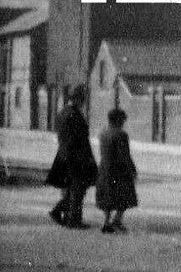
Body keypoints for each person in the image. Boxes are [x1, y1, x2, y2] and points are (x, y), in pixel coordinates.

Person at [46, 85, 98, 229]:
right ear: (77, 99)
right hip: (75, 156)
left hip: (64, 155)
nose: (83, 102)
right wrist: (84, 157)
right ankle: (73, 220)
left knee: (72, 188)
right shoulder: (73, 114)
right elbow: (77, 139)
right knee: (78, 188)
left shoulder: (63, 112)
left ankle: (62, 213)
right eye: (82, 99)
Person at [96, 108, 138, 233]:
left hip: (104, 168)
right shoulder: (121, 134)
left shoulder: (103, 133)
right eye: (123, 120)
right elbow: (125, 155)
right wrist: (132, 169)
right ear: (119, 120)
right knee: (125, 196)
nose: (124, 123)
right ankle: (117, 220)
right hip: (119, 170)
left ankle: (106, 222)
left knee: (108, 197)